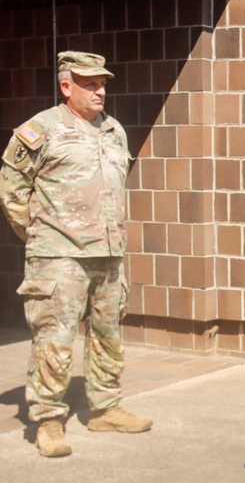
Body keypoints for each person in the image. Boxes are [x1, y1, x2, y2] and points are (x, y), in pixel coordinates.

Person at [0, 51, 152, 458]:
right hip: (58, 257)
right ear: (66, 87)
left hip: (109, 254)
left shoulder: (113, 130)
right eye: (90, 84)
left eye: (102, 84)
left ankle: (106, 408)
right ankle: (48, 420)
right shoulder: (41, 129)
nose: (99, 91)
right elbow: (12, 188)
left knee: (108, 335)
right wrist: (41, 235)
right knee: (54, 339)